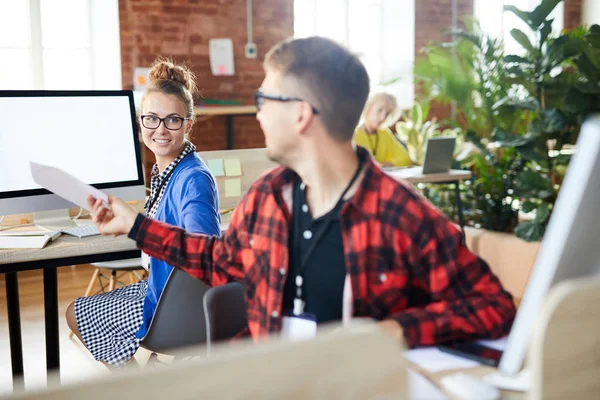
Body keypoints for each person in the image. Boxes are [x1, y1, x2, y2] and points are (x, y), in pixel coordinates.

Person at [87, 37, 516, 348]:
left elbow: (493, 306)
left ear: (301, 115)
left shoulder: (399, 213)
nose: (256, 111)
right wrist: (137, 226)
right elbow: (220, 263)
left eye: (264, 98)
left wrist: (394, 331)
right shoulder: (268, 198)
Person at [66, 59, 221, 368]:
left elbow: (205, 253)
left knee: (76, 312)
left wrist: (136, 226)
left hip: (173, 306)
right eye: (151, 119)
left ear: (188, 125)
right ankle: (146, 379)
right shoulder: (166, 170)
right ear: (140, 123)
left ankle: (143, 385)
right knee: (77, 311)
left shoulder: (194, 180)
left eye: (172, 120)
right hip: (158, 289)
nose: (160, 130)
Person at [354, 92, 412, 167]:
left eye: (387, 113)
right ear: (368, 107)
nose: (383, 117)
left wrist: (382, 165)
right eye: (380, 110)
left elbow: (406, 158)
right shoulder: (354, 134)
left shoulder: (384, 133)